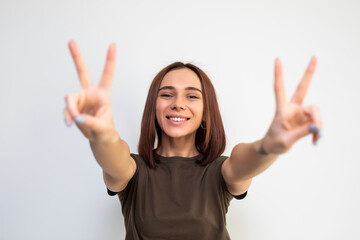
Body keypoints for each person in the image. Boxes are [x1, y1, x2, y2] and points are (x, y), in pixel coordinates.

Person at [63, 40, 323, 240]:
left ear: (206, 112)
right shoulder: (134, 170)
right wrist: (102, 133)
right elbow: (113, 157)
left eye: (192, 96)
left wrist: (269, 146)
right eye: (167, 94)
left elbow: (246, 159)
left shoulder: (220, 171)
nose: (178, 104)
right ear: (153, 107)